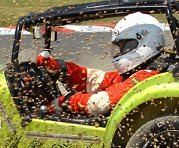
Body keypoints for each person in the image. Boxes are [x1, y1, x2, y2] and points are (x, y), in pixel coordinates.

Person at [36, 12, 166, 116]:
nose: (121, 52)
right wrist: (63, 69)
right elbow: (100, 81)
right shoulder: (143, 72)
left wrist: (64, 102)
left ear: (143, 41)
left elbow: (102, 103)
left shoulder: (146, 76)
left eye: (124, 47)